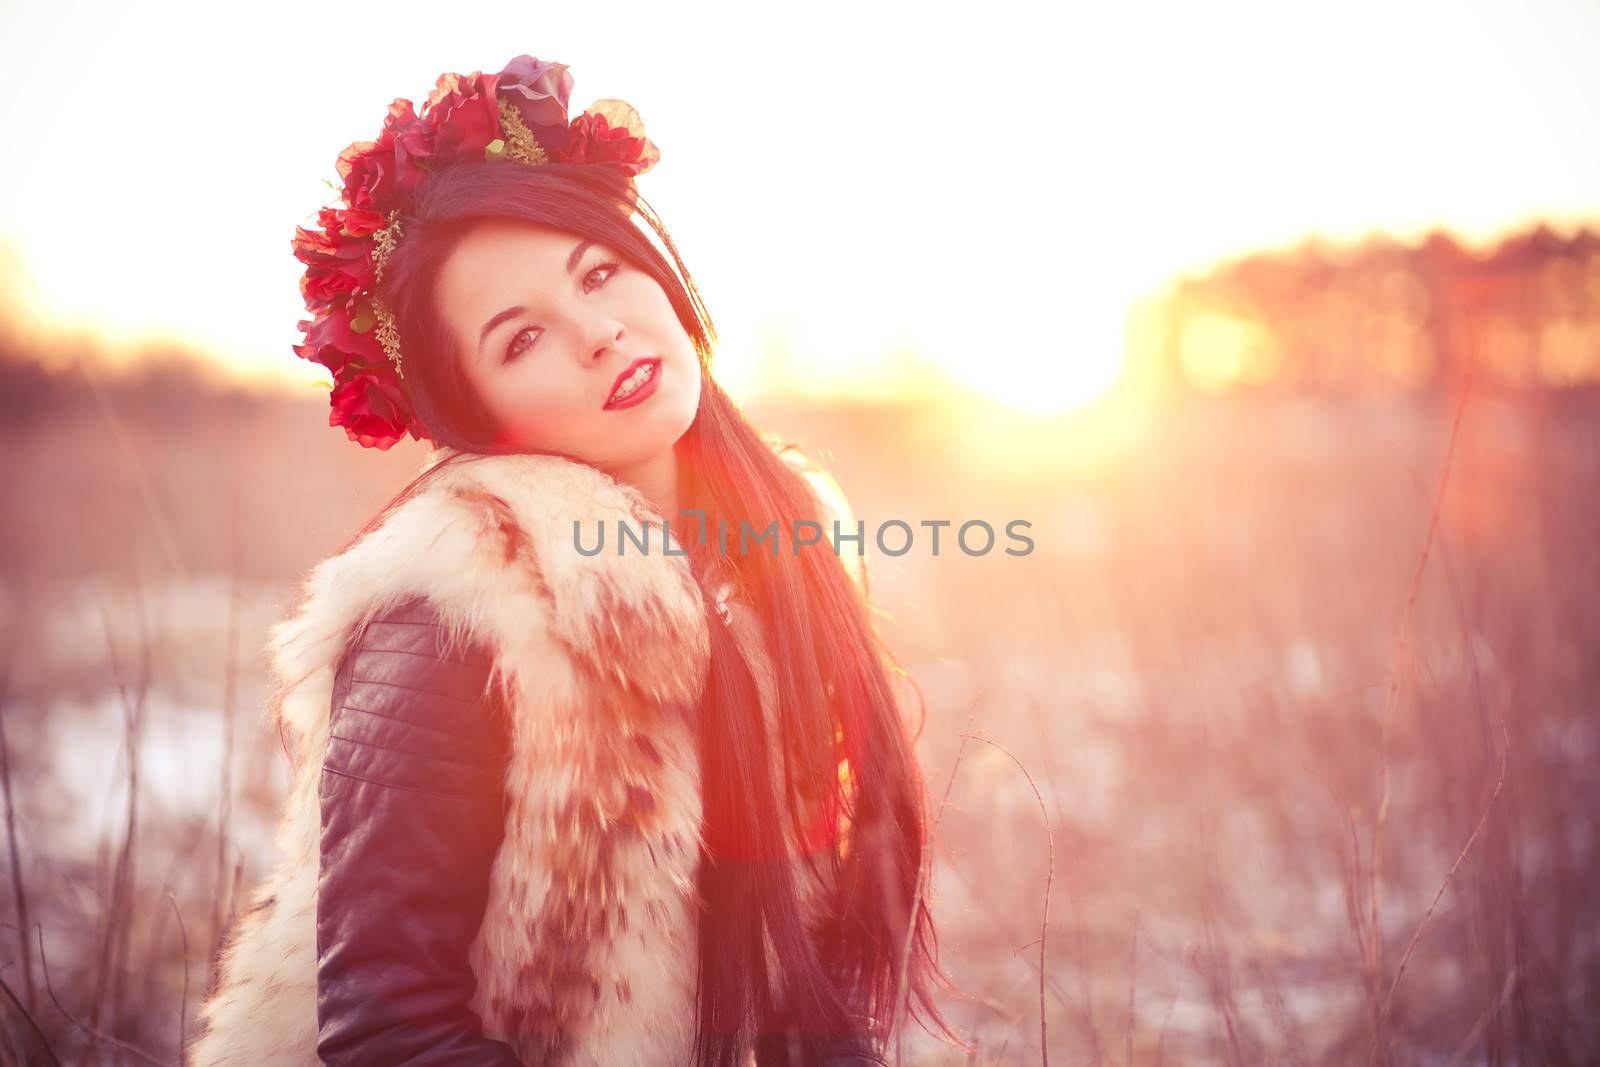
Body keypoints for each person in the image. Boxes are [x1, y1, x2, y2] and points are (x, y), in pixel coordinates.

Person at [187, 53, 961, 1067]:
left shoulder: (779, 559)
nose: (598, 333)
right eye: (521, 340)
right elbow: (387, 1031)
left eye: (598, 272)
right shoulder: (457, 609)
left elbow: (798, 979)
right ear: (478, 418)